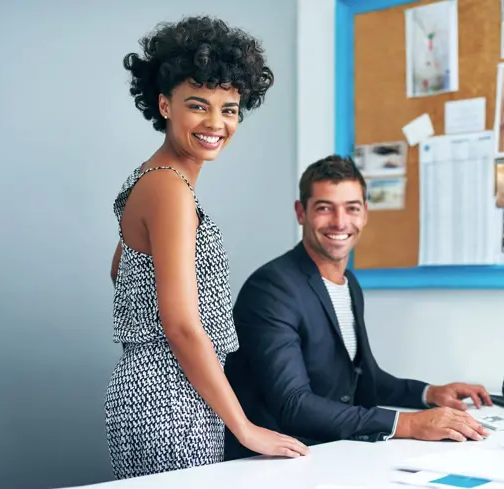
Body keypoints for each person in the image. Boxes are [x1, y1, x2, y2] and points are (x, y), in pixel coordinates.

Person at [105, 16, 308, 479]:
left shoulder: (153, 178)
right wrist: (246, 428)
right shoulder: (170, 188)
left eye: (230, 109)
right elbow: (180, 325)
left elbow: (123, 269)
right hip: (169, 400)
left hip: (166, 390)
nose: (216, 123)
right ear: (164, 104)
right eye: (198, 105)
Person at [223, 155, 493, 461]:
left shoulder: (348, 283)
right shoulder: (272, 289)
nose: (340, 222)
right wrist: (407, 423)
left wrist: (430, 394)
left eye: (351, 208)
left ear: (364, 214)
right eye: (325, 208)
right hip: (270, 463)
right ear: (301, 213)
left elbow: (363, 378)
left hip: (330, 451)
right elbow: (293, 404)